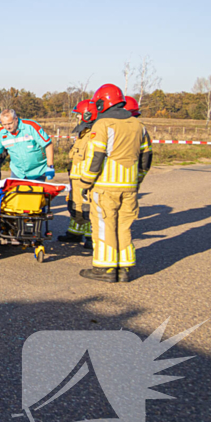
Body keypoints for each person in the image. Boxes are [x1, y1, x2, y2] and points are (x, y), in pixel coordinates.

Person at [77, 84, 152, 283]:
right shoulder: (139, 126)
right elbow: (146, 158)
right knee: (124, 226)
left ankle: (105, 268)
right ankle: (124, 268)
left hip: (104, 186)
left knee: (104, 225)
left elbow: (96, 157)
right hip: (129, 187)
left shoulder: (103, 125)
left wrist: (86, 182)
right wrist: (137, 180)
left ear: (102, 102)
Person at [58, 99, 98, 249]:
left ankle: (90, 237)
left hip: (85, 179)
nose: (77, 118)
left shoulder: (93, 135)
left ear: (87, 115)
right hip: (76, 178)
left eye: (79, 115)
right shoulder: (83, 133)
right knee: (74, 206)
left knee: (87, 209)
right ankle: (74, 233)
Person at [0, 109, 54, 181]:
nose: (7, 127)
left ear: (16, 119)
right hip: (18, 173)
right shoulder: (1, 134)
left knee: (35, 193)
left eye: (10, 123)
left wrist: (50, 165)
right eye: (4, 124)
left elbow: (48, 144)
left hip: (38, 171)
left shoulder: (31, 127)